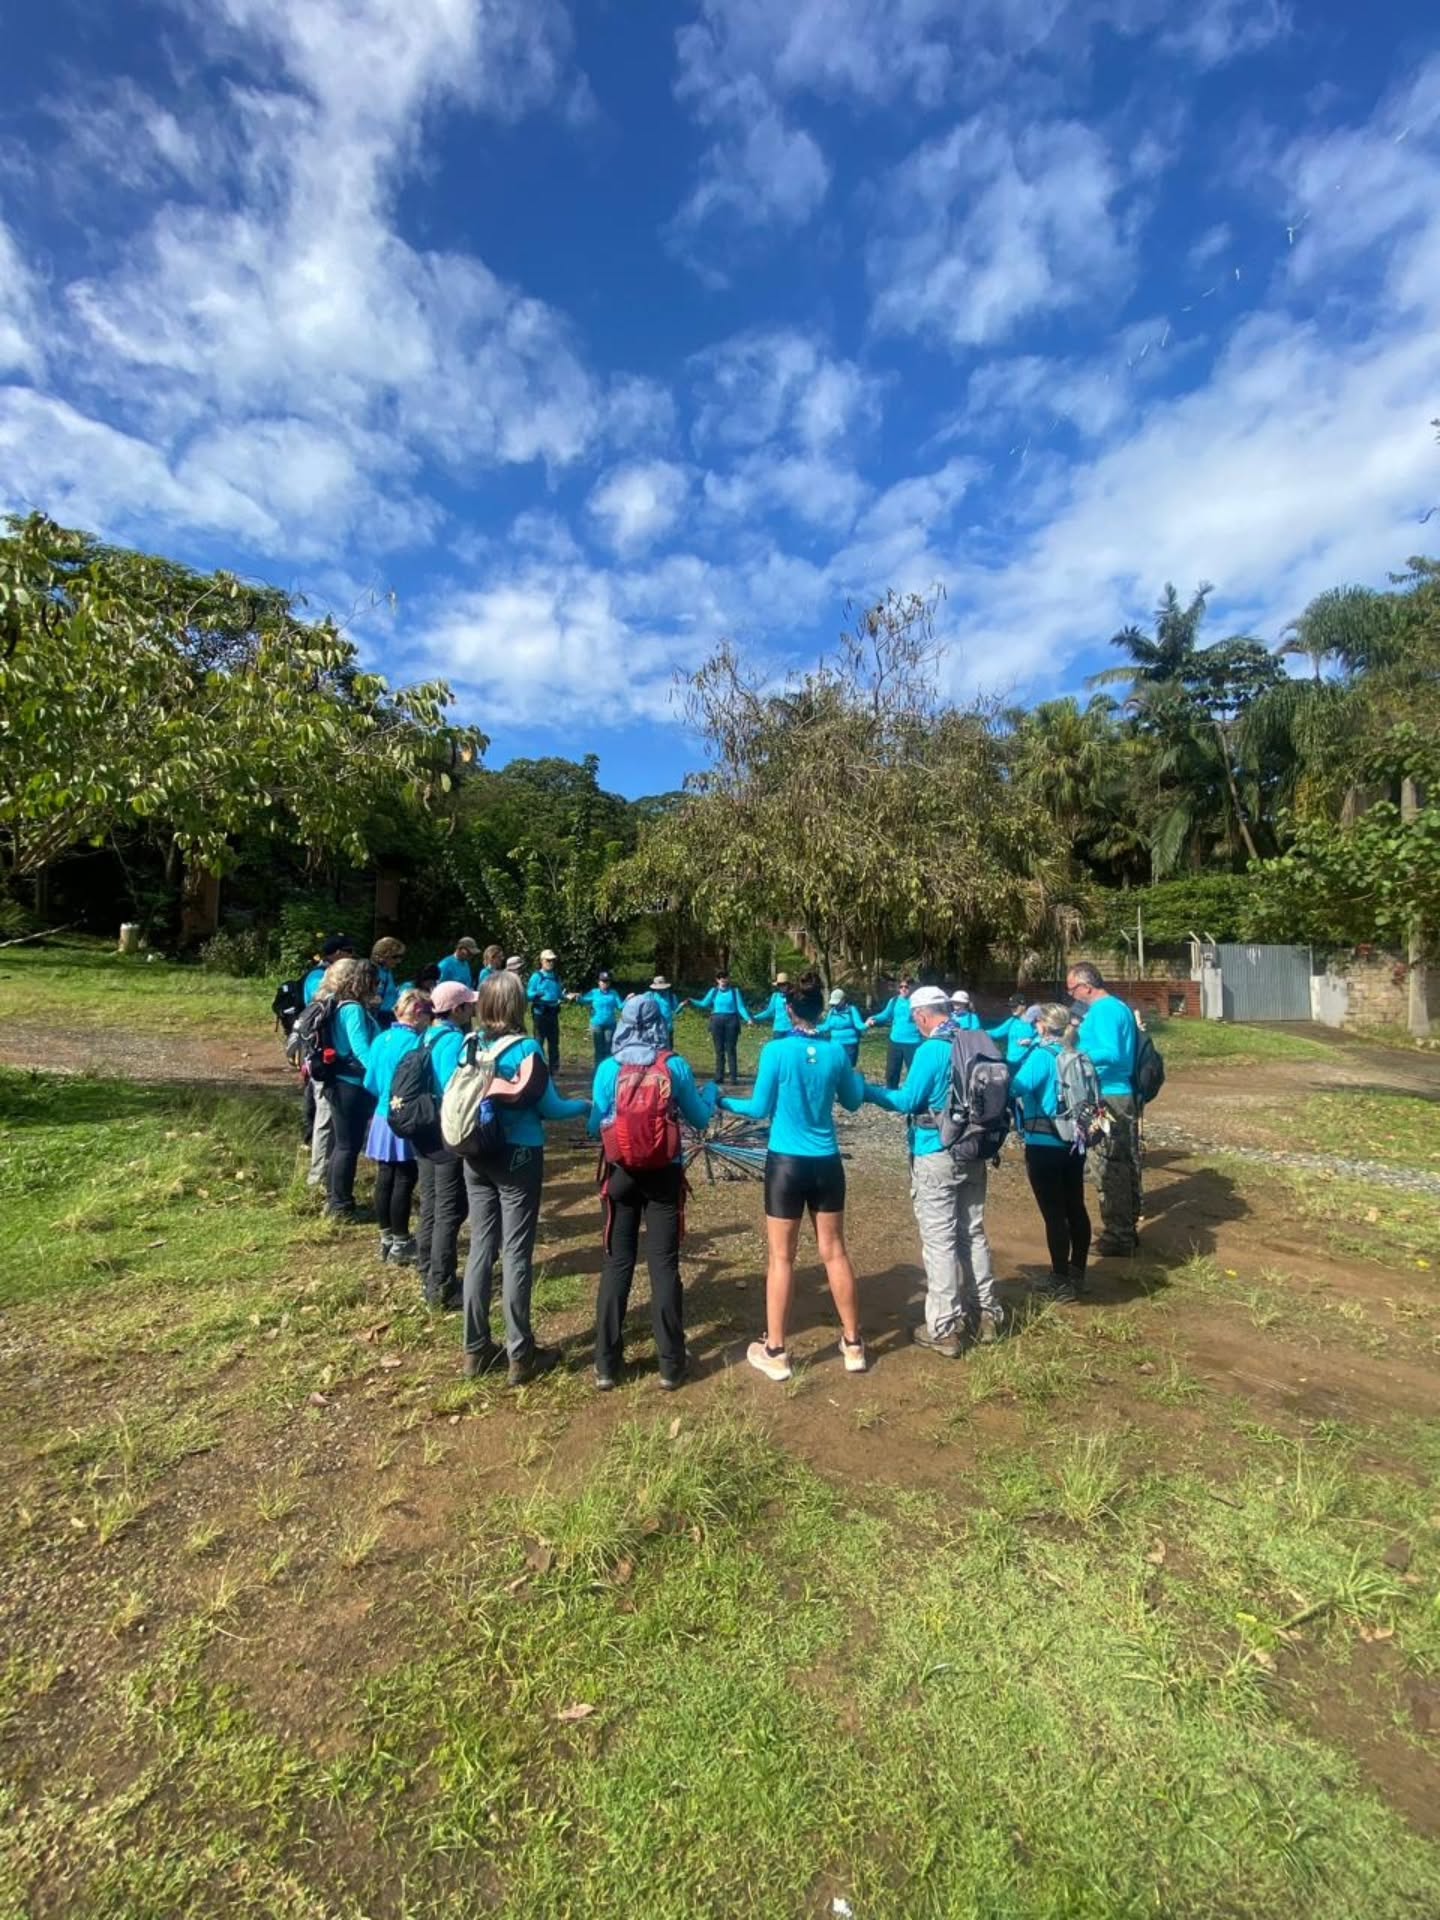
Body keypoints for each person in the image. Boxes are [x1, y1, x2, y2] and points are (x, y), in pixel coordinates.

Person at [719, 972, 867, 1382]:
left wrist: (720, 1100)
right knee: (835, 1252)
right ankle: (853, 1344)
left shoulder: (776, 1051)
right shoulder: (836, 1052)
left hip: (786, 1164)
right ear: (821, 1010)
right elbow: (853, 1102)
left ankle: (776, 1351)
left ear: (788, 1009)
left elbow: (757, 1108)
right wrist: (859, 1083)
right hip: (827, 1163)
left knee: (781, 1258)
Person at [460, 970, 590, 1386]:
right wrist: (584, 1106)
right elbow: (551, 1108)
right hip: (518, 1155)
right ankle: (521, 1353)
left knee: (481, 1248)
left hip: (476, 1153)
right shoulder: (526, 1048)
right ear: (517, 1006)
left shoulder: (470, 1043)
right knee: (516, 1253)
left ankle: (475, 1348)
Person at [863, 985, 1005, 1353]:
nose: (915, 1025)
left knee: (939, 1241)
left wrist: (868, 1091)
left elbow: (908, 1101)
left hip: (935, 1151)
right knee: (973, 1233)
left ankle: (944, 1328)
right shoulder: (976, 1039)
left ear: (923, 1015)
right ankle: (986, 1315)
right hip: (974, 1149)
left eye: (915, 1019)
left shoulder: (932, 1050)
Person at [587, 993, 718, 1391]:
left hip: (620, 1174)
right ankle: (670, 1365)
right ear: (661, 1023)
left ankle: (606, 1364)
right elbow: (700, 1118)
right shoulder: (674, 1065)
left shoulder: (608, 1068)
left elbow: (594, 1126)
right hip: (665, 1174)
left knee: (616, 1264)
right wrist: (710, 1094)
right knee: (663, 1265)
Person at [1011, 1003, 1092, 1301]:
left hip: (1044, 1143)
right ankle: (1077, 1271)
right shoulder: (1076, 1054)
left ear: (1043, 1026)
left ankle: (1059, 1279)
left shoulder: (1042, 1056)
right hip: (1075, 1142)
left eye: (1036, 1022)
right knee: (1076, 1206)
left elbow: (1015, 1088)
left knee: (1054, 1214)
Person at [1067, 960, 1141, 1256]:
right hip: (1114, 1093)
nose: (1071, 995)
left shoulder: (1105, 1010)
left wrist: (1074, 1054)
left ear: (1086, 986)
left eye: (1072, 989)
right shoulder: (1116, 1007)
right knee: (1121, 1161)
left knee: (1108, 1166)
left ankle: (1118, 1236)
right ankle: (1124, 1227)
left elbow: (1111, 1052)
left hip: (1108, 1096)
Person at [415, 981, 475, 1311]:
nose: (472, 1009)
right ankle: (441, 1286)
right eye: (468, 1005)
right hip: (444, 1130)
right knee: (450, 1209)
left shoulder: (426, 1035)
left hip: (422, 1128)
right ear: (456, 1009)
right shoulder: (453, 1040)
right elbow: (457, 1087)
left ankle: (426, 1269)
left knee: (431, 1202)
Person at [362, 987, 430, 1262]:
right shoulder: (415, 1043)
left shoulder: (380, 1039)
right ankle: (401, 1241)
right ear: (418, 1013)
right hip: (404, 1116)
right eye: (428, 1014)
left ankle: (386, 1237)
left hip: (381, 1115)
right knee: (404, 1177)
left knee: (385, 1176)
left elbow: (369, 1082)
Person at [320, 956, 381, 1220]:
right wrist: (380, 1076)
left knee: (341, 1144)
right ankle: (341, 1206)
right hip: (351, 1085)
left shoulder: (337, 1004)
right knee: (348, 1146)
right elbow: (361, 1049)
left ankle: (335, 1199)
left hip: (339, 1083)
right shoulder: (353, 1009)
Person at [303, 934, 353, 1184]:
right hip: (323, 1063)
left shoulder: (329, 992)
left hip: (324, 1061)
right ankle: (318, 1178)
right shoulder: (320, 984)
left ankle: (327, 1172)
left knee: (328, 1119)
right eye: (347, 951)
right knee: (324, 1118)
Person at [690, 967, 752, 1085]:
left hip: (731, 1020)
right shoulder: (713, 991)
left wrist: (747, 1018)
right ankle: (719, 1076)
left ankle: (733, 1077)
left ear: (728, 978)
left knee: (731, 1049)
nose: (722, 979)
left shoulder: (734, 991)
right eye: (720, 977)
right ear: (717, 980)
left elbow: (740, 1007)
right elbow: (704, 1004)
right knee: (719, 1050)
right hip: (717, 1021)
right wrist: (691, 1001)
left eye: (724, 977)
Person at [868, 973, 920, 1088]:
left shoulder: (917, 1002)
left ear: (912, 987)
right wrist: (874, 1019)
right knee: (891, 1073)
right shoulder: (894, 1001)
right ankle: (891, 1095)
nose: (903, 989)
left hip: (913, 1042)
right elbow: (885, 1015)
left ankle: (914, 1096)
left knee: (914, 1074)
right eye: (901, 986)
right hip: (895, 1041)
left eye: (906, 986)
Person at [527, 949, 567, 1071]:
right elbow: (528, 994)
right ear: (542, 961)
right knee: (539, 1041)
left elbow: (559, 994)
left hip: (553, 1012)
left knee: (554, 1042)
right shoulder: (536, 977)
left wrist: (567, 996)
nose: (550, 963)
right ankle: (538, 1067)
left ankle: (554, 1068)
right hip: (540, 1013)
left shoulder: (555, 977)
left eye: (552, 960)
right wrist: (536, 994)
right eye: (548, 960)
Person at [580, 970, 623, 1065]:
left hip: (610, 1024)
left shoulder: (613, 993)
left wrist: (628, 1000)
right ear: (599, 982)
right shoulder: (594, 992)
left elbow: (620, 1006)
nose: (605, 983)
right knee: (599, 1049)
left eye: (607, 981)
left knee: (609, 1048)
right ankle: (598, 1069)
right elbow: (583, 1000)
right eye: (603, 981)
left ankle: (607, 1069)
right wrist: (577, 997)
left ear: (609, 982)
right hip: (596, 1024)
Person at [818, 987, 866, 1066]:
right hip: (835, 1045)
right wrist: (814, 1027)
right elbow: (826, 1026)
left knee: (849, 1067)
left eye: (837, 1002)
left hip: (850, 1045)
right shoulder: (832, 1012)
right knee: (836, 1066)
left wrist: (867, 1024)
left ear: (843, 1000)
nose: (835, 1005)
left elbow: (859, 1025)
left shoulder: (852, 1010)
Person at [371, 937, 406, 1029]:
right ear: (382, 956)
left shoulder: (387, 971)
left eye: (400, 957)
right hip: (380, 1016)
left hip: (391, 1014)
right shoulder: (373, 972)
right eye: (395, 957)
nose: (398, 961)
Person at [752, 972, 793, 1036]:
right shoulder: (775, 996)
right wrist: (754, 1018)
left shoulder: (793, 996)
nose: (782, 986)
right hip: (778, 1030)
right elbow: (769, 1012)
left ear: (788, 984)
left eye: (784, 984)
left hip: (791, 1029)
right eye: (780, 984)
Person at [648, 975, 679, 1039]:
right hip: (654, 1028)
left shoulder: (671, 996)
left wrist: (681, 1006)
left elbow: (676, 1010)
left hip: (668, 1029)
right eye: (658, 988)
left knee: (668, 1045)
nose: (660, 990)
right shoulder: (650, 995)